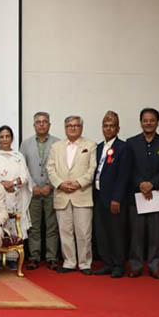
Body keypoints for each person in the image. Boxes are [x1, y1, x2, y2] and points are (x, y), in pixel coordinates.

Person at [126, 108, 159, 279]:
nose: (148, 123)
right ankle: (136, 265)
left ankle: (155, 266)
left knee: (156, 235)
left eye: (152, 120)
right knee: (136, 234)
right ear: (141, 122)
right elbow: (128, 167)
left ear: (157, 122)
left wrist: (152, 184)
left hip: (157, 195)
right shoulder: (131, 143)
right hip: (136, 195)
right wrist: (140, 184)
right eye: (145, 120)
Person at [47, 116, 97, 274]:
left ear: (81, 127)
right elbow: (50, 169)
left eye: (76, 125)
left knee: (84, 232)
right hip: (62, 195)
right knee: (65, 232)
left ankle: (85, 263)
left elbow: (92, 169)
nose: (73, 128)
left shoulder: (90, 145)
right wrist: (60, 184)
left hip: (82, 194)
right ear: (65, 128)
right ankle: (69, 262)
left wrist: (78, 183)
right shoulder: (56, 147)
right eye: (69, 126)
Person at [19, 112, 61, 270]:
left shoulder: (58, 143)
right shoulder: (26, 144)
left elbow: (60, 167)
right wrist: (33, 186)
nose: (41, 124)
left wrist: (50, 185)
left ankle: (52, 257)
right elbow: (23, 168)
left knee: (52, 227)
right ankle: (34, 257)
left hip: (52, 191)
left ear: (49, 125)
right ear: (34, 125)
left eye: (44, 122)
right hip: (33, 192)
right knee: (34, 227)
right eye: (38, 122)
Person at [0, 125, 32, 269]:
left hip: (15, 195)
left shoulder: (18, 156)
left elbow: (25, 176)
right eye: (2, 137)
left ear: (12, 138)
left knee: (13, 226)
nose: (5, 139)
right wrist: (2, 184)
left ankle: (12, 258)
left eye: (7, 136)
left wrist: (13, 183)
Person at [92, 111, 131, 278]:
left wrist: (117, 198)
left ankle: (118, 265)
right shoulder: (99, 147)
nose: (108, 129)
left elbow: (124, 176)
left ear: (118, 129)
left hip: (114, 199)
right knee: (102, 233)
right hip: (98, 196)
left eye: (112, 126)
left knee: (116, 233)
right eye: (105, 126)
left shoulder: (123, 147)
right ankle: (107, 263)